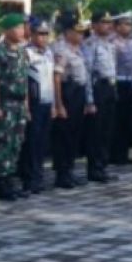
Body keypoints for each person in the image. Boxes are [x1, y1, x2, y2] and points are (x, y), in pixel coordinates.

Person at [0, 14, 30, 200]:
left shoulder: (22, 52)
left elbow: (25, 80)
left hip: (19, 104)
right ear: (6, 31)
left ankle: (11, 178)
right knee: (1, 142)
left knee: (16, 142)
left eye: (22, 27)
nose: (21, 31)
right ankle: (1, 182)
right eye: (17, 27)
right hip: (5, 103)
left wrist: (27, 106)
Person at [51, 11, 89, 189]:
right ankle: (62, 173)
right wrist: (59, 104)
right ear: (68, 33)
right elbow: (57, 78)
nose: (81, 35)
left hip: (78, 94)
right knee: (64, 136)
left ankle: (70, 170)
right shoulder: (61, 50)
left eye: (82, 32)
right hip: (68, 94)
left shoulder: (78, 50)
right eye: (77, 32)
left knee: (75, 135)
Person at [19, 16, 56, 194]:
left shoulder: (49, 52)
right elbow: (24, 82)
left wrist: (55, 105)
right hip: (33, 103)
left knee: (42, 142)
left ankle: (39, 175)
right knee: (31, 143)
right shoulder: (26, 52)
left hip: (47, 102)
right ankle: (30, 178)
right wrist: (26, 107)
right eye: (40, 34)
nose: (43, 38)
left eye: (46, 34)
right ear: (31, 34)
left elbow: (52, 79)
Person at [83, 10, 118, 183]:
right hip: (98, 89)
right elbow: (88, 73)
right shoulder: (90, 44)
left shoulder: (110, 44)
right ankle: (94, 169)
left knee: (107, 130)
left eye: (109, 22)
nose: (108, 26)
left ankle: (103, 165)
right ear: (94, 25)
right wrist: (89, 99)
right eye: (103, 22)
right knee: (96, 132)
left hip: (110, 88)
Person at [111, 12, 132, 166]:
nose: (128, 27)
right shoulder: (113, 42)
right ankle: (117, 154)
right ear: (117, 26)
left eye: (129, 24)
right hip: (119, 82)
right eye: (124, 24)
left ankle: (125, 152)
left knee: (130, 119)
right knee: (119, 120)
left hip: (131, 83)